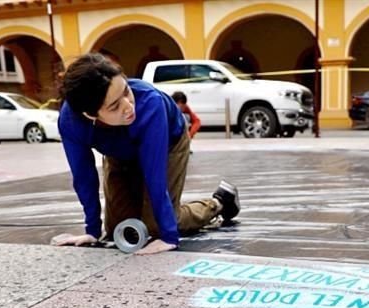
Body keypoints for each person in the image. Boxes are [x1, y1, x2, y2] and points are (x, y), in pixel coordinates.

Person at [52, 53, 239, 255]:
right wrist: (92, 231)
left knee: (156, 225)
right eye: (115, 106)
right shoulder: (71, 122)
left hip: (168, 143)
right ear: (90, 115)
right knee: (119, 229)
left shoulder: (150, 103)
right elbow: (84, 177)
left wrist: (168, 236)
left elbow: (155, 177)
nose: (128, 106)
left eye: (126, 91)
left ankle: (219, 203)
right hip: (119, 152)